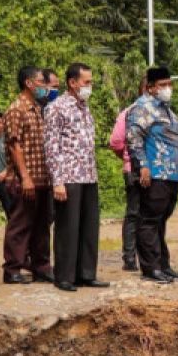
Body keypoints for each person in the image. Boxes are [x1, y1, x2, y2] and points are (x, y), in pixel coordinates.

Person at [45, 63, 108, 292]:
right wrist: (58, 180)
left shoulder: (84, 107)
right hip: (69, 175)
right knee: (68, 228)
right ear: (73, 83)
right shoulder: (57, 108)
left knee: (89, 227)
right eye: (86, 82)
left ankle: (86, 273)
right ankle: (64, 276)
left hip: (88, 174)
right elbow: (52, 146)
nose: (89, 87)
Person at [126, 67, 178, 284]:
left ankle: (163, 265)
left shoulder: (167, 110)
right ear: (150, 87)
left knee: (161, 220)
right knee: (149, 220)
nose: (167, 88)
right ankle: (150, 268)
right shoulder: (142, 108)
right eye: (162, 85)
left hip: (171, 174)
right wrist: (142, 165)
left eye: (170, 84)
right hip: (155, 172)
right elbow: (134, 138)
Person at [2, 66, 54, 284]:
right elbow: (15, 146)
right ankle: (12, 268)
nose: (46, 87)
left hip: (43, 178)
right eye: (42, 82)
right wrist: (25, 177)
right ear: (29, 83)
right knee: (20, 224)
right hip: (26, 179)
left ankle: (41, 266)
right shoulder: (17, 109)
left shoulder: (39, 108)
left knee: (42, 225)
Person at [108, 79, 146, 272]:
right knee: (138, 214)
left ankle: (133, 258)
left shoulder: (129, 111)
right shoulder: (130, 113)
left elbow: (115, 142)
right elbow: (115, 142)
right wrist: (128, 156)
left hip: (139, 169)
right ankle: (133, 257)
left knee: (135, 213)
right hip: (138, 170)